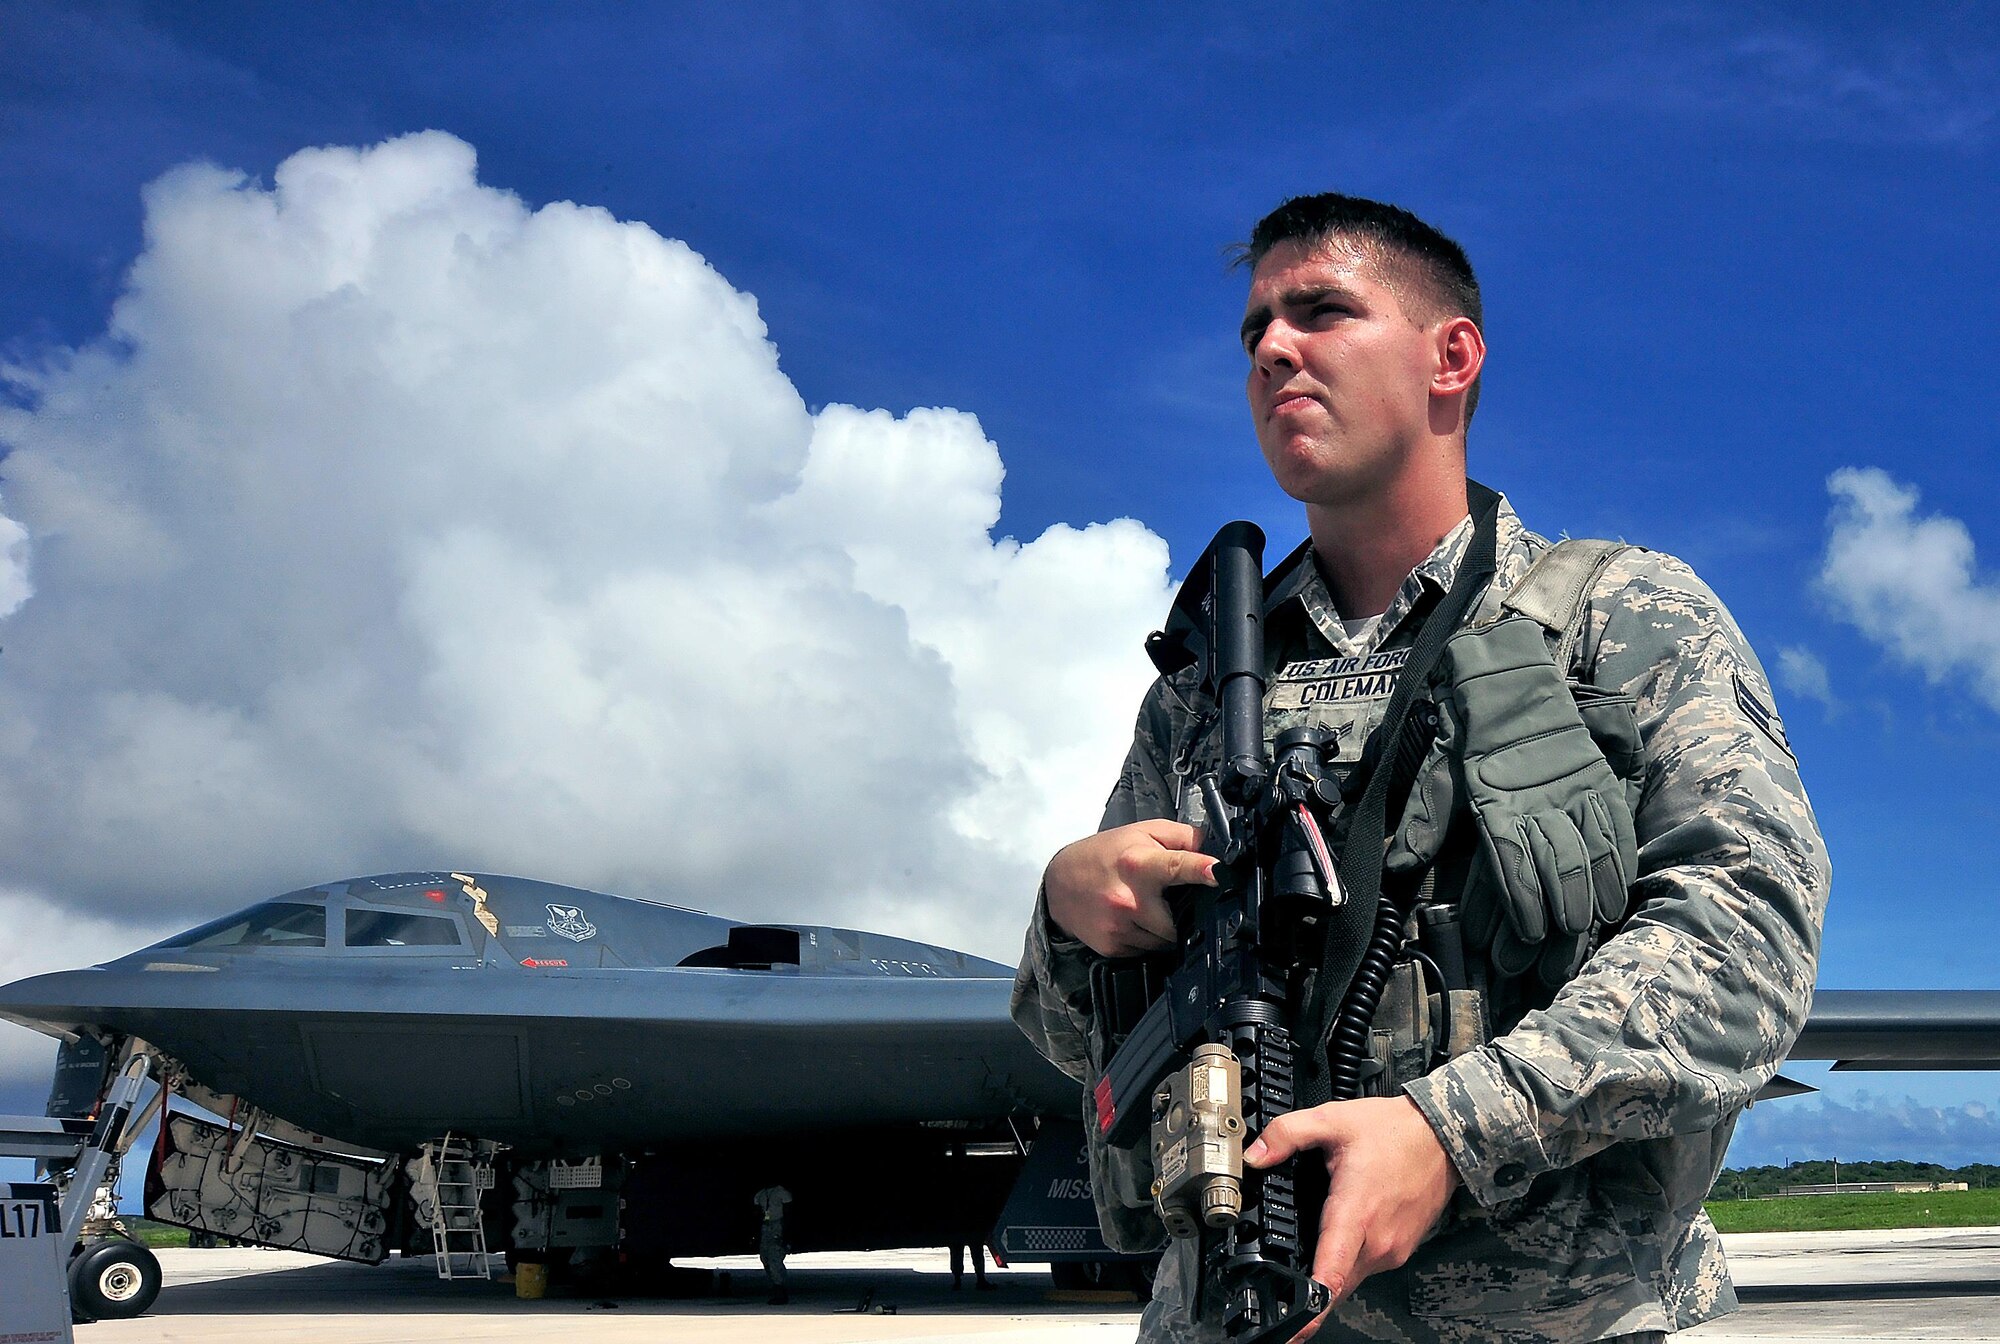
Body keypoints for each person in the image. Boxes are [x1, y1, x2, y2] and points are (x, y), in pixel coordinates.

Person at [1010, 193, 1828, 1344]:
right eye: (1254, 332)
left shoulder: (1621, 618)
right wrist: (1063, 912)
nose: (1272, 351)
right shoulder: (1203, 682)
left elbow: (1745, 946)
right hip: (1233, 1313)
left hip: (1549, 1319)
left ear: (1451, 357)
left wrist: (1452, 1130)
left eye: (1320, 311)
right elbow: (1072, 1040)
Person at [753, 1183, 791, 1304]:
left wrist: (786, 1235)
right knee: (765, 1258)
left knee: (775, 1258)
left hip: (777, 1226)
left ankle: (780, 1289)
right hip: (766, 1226)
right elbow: (758, 1212)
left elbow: (789, 1212)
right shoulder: (761, 1194)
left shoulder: (781, 1192)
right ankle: (777, 1284)